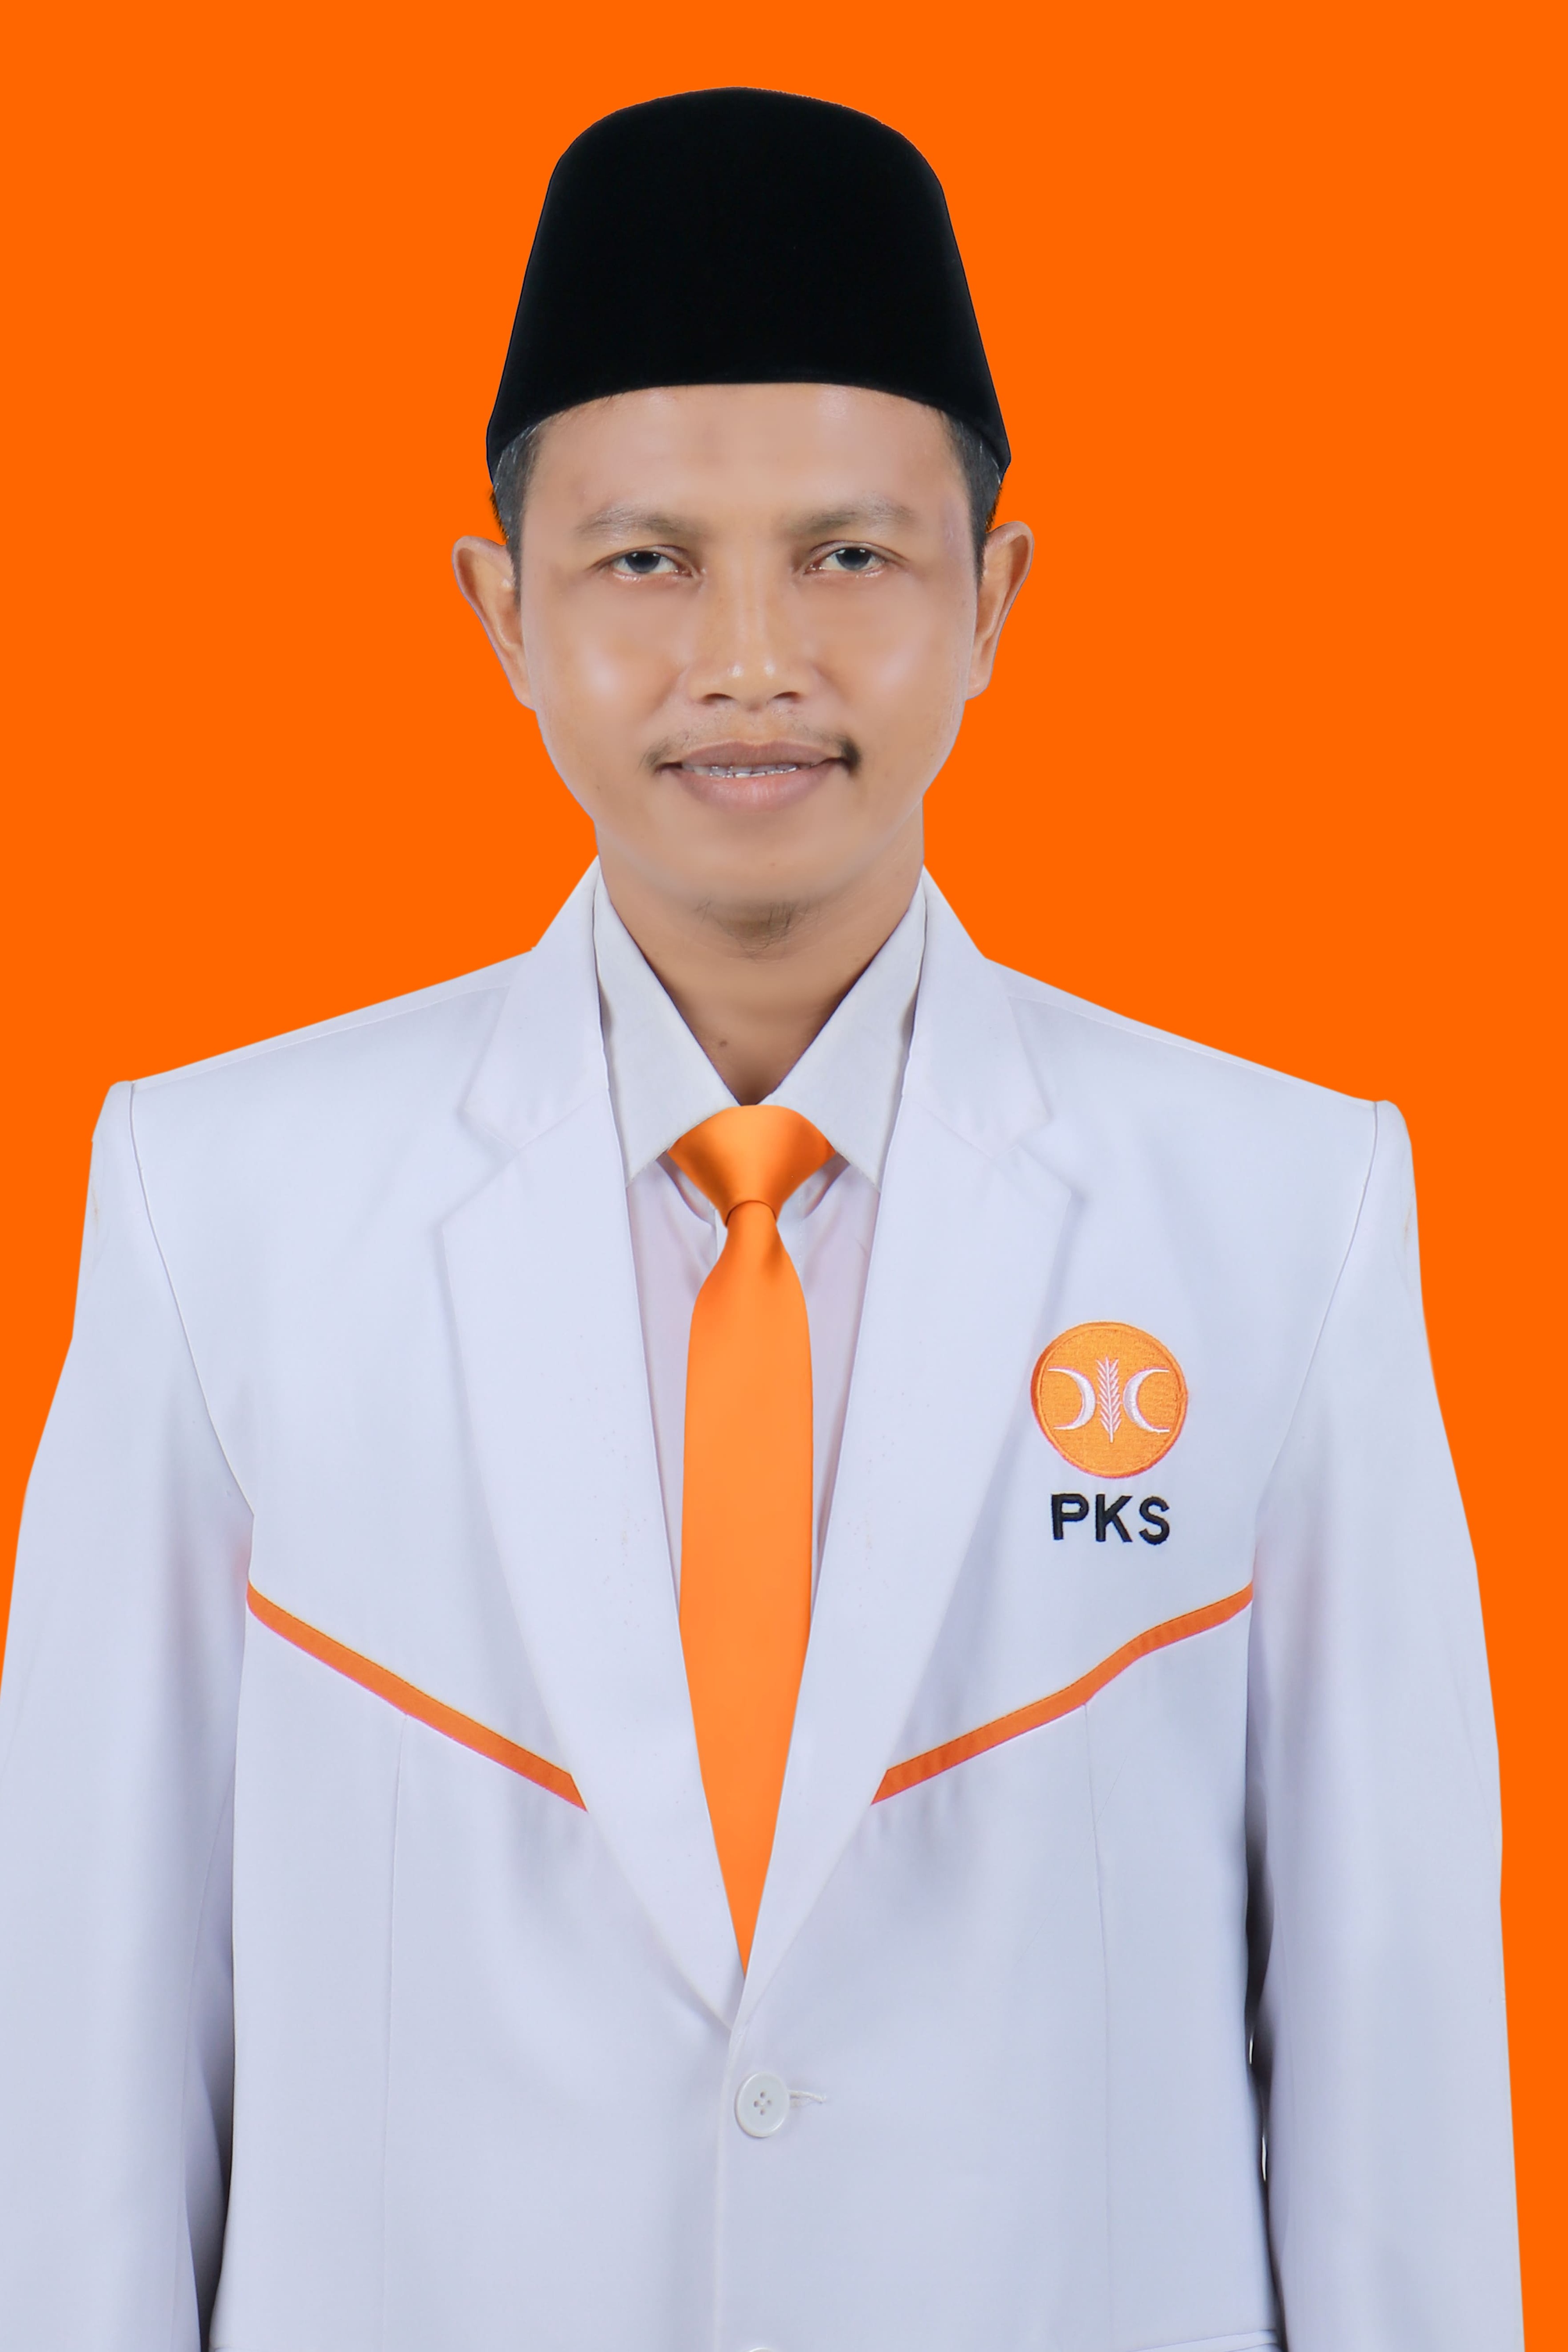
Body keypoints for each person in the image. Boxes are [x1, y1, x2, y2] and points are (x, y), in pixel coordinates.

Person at [0, 86, 1521, 2352]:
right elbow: (82, 2061)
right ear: (499, 611)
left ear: (993, 599)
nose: (747, 658)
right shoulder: (218, 1201)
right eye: (644, 561)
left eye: (847, 556)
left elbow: (1394, 2061)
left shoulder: (1282, 1208)